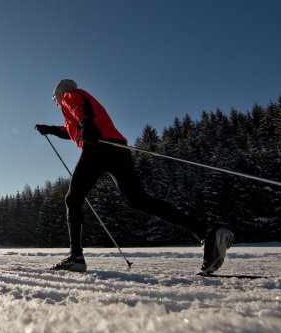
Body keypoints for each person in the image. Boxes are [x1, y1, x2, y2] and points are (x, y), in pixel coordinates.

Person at [35, 79, 234, 274]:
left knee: (73, 198)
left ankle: (75, 257)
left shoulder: (71, 96)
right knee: (140, 200)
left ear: (60, 93)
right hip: (117, 149)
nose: (57, 102)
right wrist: (51, 130)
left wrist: (87, 124)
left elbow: (80, 111)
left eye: (55, 99)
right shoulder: (80, 104)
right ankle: (206, 232)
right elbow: (72, 129)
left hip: (98, 148)